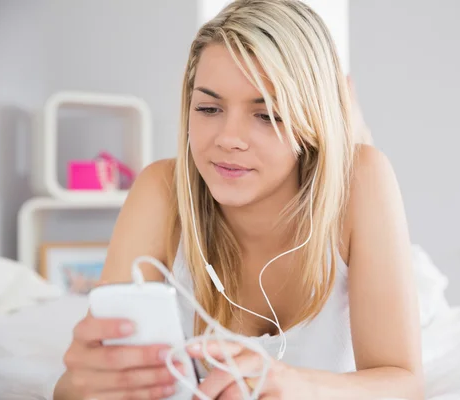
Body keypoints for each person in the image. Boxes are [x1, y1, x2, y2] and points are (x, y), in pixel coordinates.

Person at [53, 0, 423, 399]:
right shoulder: (161, 189)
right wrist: (79, 385)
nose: (228, 139)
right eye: (208, 108)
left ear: (310, 119)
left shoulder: (363, 178)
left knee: (425, 288)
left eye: (267, 115)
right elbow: (75, 386)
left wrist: (294, 383)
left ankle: (350, 120)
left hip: (340, 199)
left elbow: (403, 380)